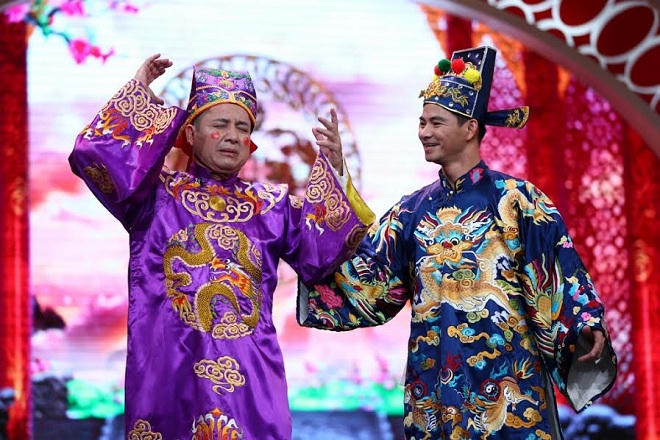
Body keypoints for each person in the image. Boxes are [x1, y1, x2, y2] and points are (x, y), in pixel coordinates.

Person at [297, 46, 617, 439]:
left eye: (436, 122)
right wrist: (335, 178)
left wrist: (583, 322)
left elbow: (558, 273)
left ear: (470, 128)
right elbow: (368, 279)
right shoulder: (410, 212)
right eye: (421, 122)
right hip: (435, 388)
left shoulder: (517, 201)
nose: (424, 132)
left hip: (509, 387)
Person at [69, 54, 374, 439]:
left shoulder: (272, 206)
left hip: (250, 382)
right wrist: (138, 98)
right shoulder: (156, 197)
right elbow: (94, 156)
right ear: (190, 134)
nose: (232, 135)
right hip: (170, 380)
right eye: (219, 124)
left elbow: (323, 249)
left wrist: (334, 167)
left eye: (242, 127)